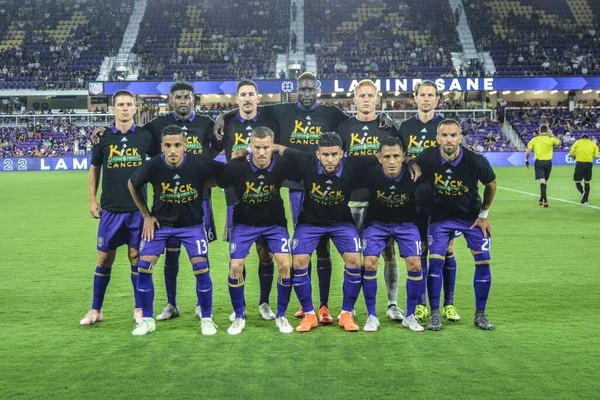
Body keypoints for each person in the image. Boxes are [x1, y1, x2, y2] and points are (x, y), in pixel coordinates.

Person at [215, 73, 393, 323]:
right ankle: (303, 304)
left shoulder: (332, 113)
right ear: (297, 90)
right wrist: (224, 115)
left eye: (311, 88)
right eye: (303, 89)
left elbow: (361, 118)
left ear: (317, 91)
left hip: (332, 181)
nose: (307, 92)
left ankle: (323, 305)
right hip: (298, 183)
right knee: (304, 245)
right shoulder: (284, 109)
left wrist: (383, 117)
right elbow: (252, 106)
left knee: (324, 249)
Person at [92, 82, 220, 321]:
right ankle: (172, 304)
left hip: (199, 200)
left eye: (187, 97)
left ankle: (203, 306)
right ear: (171, 100)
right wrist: (104, 130)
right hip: (167, 202)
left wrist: (223, 116)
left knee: (201, 256)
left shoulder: (207, 124)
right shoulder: (155, 126)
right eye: (178, 97)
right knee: (170, 254)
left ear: (194, 100)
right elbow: (132, 135)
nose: (183, 100)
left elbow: (219, 147)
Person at [274, 132, 380, 332]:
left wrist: (411, 164)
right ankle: (309, 314)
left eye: (333, 154)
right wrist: (248, 151)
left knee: (356, 261)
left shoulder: (354, 164)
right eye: (325, 155)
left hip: (341, 222)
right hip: (310, 223)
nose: (329, 159)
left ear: (342, 154)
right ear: (317, 154)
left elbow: (382, 156)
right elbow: (279, 148)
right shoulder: (305, 161)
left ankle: (346, 314)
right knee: (297, 262)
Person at [127, 125, 224, 336]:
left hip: (192, 226)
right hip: (160, 226)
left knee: (201, 269)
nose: (172, 150)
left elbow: (224, 174)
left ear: (185, 146)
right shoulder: (153, 166)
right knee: (143, 267)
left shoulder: (198, 163)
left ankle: (206, 319)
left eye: (177, 145)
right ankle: (147, 320)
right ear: (162, 146)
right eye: (168, 145)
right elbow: (132, 184)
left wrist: (207, 183)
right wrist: (146, 215)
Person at [80, 89, 154, 327]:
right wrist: (92, 200)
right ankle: (96, 310)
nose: (124, 108)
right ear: (113, 109)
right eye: (120, 104)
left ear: (135, 108)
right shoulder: (103, 137)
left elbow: (163, 161)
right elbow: (95, 169)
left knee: (136, 258)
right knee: (103, 259)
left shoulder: (145, 136)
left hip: (137, 211)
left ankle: (139, 308)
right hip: (110, 210)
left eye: (129, 104)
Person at [216, 127, 301, 335]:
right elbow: (220, 180)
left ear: (272, 146)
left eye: (265, 148)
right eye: (256, 148)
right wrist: (232, 160)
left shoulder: (282, 164)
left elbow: (305, 167)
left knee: (285, 265)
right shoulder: (237, 167)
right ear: (250, 147)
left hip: (274, 223)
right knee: (235, 267)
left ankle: (281, 315)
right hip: (244, 223)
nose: (261, 153)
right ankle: (239, 316)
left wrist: (285, 150)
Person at [415, 119, 497, 331]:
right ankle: (434, 314)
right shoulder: (427, 157)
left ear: (461, 138)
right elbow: (411, 163)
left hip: (470, 217)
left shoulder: (475, 161)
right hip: (440, 218)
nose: (449, 139)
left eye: (453, 135)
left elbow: (491, 184)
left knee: (484, 261)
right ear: (437, 139)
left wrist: (484, 214)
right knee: (435, 262)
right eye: (444, 135)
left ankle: (480, 314)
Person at [336, 79, 405, 321]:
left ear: (377, 100)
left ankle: (393, 304)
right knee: (353, 256)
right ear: (354, 100)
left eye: (370, 96)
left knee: (388, 252)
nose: (366, 99)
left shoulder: (389, 128)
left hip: (382, 200)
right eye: (361, 96)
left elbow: (400, 162)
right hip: (352, 202)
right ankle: (351, 306)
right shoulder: (343, 128)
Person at [214, 79, 281, 321]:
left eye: (251, 94)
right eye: (243, 94)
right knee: (237, 256)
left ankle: (264, 303)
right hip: (236, 199)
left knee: (265, 252)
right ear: (237, 99)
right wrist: (223, 115)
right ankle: (238, 306)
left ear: (258, 98)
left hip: (264, 197)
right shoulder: (228, 123)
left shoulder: (270, 120)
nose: (247, 98)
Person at [398, 80, 460, 323]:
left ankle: (449, 304)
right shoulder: (405, 127)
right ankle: (422, 305)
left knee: (447, 249)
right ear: (415, 98)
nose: (426, 99)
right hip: (414, 200)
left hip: (443, 199)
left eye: (430, 95)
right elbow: (399, 156)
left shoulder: (445, 126)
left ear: (437, 99)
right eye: (422, 95)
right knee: (421, 248)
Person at [359, 136, 424, 332]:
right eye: (387, 156)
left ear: (404, 156)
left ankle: (410, 316)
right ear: (379, 157)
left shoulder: (414, 175)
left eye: (396, 156)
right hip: (377, 224)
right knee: (369, 262)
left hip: (406, 224)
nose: (392, 161)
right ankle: (372, 315)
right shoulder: (369, 174)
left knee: (415, 264)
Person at [526, 124, 560, 207]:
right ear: (547, 131)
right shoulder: (551, 139)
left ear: (539, 130)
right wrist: (551, 134)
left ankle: (545, 201)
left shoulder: (534, 140)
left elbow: (528, 152)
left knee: (542, 182)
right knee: (545, 182)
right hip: (548, 163)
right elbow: (559, 142)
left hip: (539, 163)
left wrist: (526, 160)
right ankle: (542, 199)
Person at [569, 134, 598, 204]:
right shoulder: (593, 144)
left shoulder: (577, 142)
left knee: (577, 181)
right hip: (589, 164)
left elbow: (571, 153)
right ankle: (585, 199)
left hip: (580, 164)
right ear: (588, 138)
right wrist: (589, 156)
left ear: (582, 138)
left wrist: (574, 156)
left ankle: (583, 193)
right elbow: (596, 155)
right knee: (587, 182)